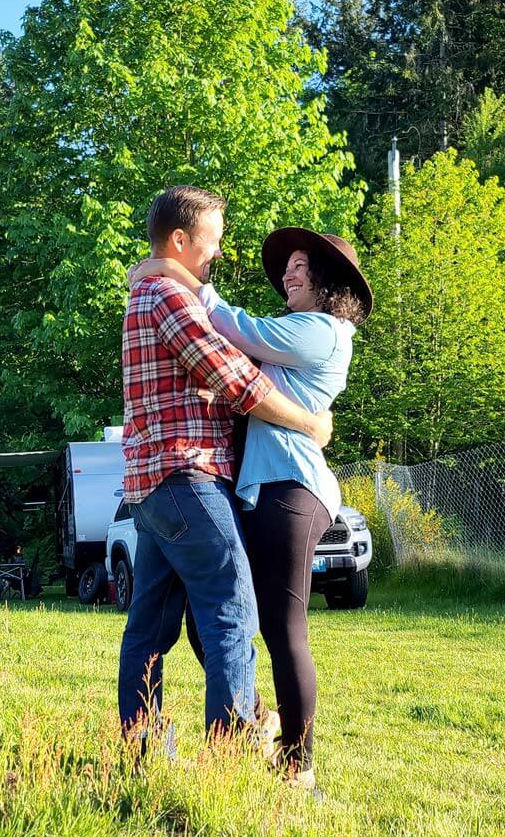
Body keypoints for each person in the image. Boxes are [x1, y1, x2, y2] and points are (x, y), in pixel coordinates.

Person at [130, 227, 372, 791]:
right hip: (255, 489)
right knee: (214, 616)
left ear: (328, 281)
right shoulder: (291, 335)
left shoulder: (324, 331)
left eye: (298, 265)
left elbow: (236, 332)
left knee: (284, 627)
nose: (286, 274)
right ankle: (256, 720)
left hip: (290, 487)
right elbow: (230, 371)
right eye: (285, 266)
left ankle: (298, 767)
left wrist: (171, 272)